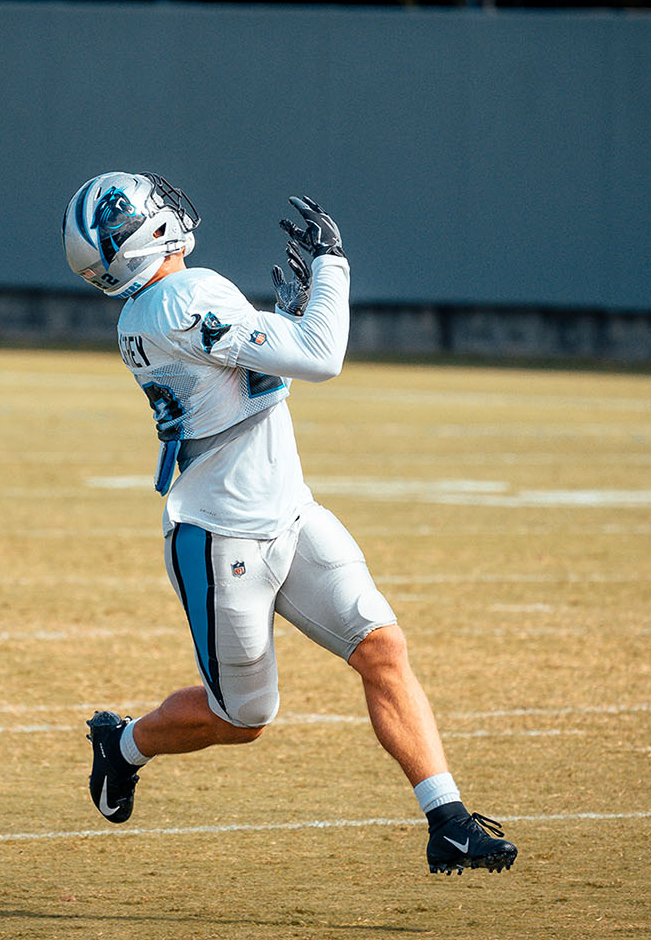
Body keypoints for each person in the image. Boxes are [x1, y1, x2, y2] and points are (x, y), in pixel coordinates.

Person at [62, 171, 517, 875]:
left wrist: (285, 316)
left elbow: (253, 370)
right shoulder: (185, 294)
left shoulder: (152, 309)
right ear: (145, 236)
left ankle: (449, 820)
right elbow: (320, 358)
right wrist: (333, 267)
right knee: (241, 719)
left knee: (382, 649)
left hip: (290, 512)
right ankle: (121, 746)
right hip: (221, 535)